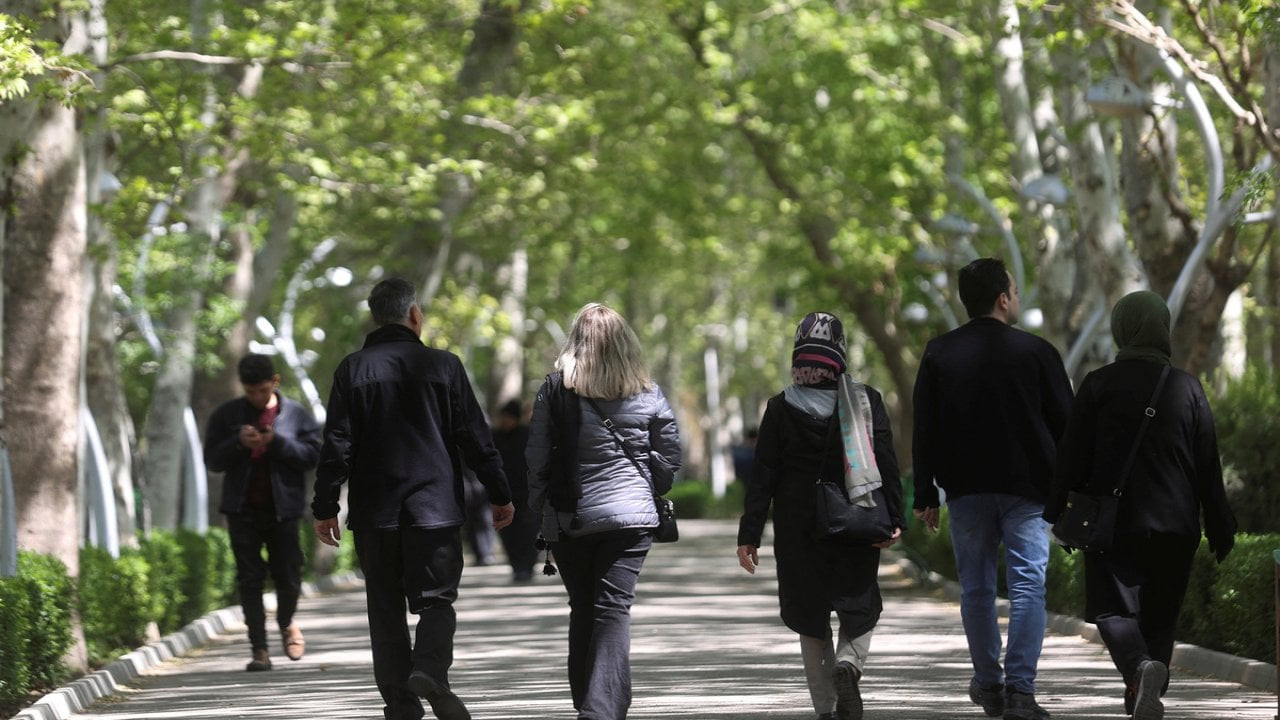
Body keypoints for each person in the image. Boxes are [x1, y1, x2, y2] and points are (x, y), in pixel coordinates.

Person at [312, 277, 515, 720]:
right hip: (434, 510)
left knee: (384, 610)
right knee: (437, 601)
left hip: (375, 513)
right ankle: (430, 672)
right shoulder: (444, 366)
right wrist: (501, 493)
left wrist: (325, 506)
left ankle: (401, 706)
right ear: (415, 315)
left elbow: (337, 444)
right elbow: (475, 438)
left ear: (374, 316)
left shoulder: (352, 369)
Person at [1046, 290, 1236, 720]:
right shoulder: (1188, 387)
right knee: (1160, 618)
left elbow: (1071, 456)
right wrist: (1221, 525)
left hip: (1114, 524)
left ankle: (1138, 668)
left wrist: (1057, 511)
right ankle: (1142, 693)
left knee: (1112, 609)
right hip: (1177, 524)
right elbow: (1208, 464)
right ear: (1161, 328)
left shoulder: (1098, 385)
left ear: (1122, 328)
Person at [911, 258, 1073, 720]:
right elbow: (1068, 428)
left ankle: (988, 684)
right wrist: (1071, 490)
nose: (1017, 298)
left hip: (966, 492)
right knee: (1027, 587)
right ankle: (1020, 690)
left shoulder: (939, 353)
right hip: (1029, 492)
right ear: (1003, 299)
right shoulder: (1037, 353)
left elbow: (925, 428)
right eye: (1016, 291)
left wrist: (924, 493)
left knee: (977, 590)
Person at [737, 311, 904, 720]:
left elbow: (763, 476)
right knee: (859, 607)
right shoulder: (866, 400)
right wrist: (895, 517)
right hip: (857, 522)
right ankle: (849, 664)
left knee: (811, 621)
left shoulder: (779, 408)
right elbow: (886, 463)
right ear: (841, 354)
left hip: (799, 531)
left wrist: (750, 534)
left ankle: (826, 709)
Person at [525, 302, 682, 720]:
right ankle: (600, 708)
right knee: (613, 608)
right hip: (631, 520)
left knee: (583, 605)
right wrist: (651, 490)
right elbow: (667, 455)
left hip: (570, 516)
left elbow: (537, 457)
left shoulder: (554, 390)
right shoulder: (647, 391)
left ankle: (590, 703)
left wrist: (537, 509)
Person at [203, 354, 322, 672]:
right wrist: (238, 443)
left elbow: (313, 455)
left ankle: (287, 623)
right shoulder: (227, 416)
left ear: (275, 381)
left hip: (284, 510)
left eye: (262, 389)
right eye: (250, 390)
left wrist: (278, 443)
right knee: (250, 579)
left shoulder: (296, 415)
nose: (256, 396)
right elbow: (213, 460)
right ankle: (259, 649)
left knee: (289, 575)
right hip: (241, 511)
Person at [492, 399, 539, 582]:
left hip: (527, 492)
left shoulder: (527, 436)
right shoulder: (494, 437)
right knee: (508, 532)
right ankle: (516, 565)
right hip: (503, 492)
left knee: (527, 532)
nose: (504, 421)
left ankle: (526, 566)